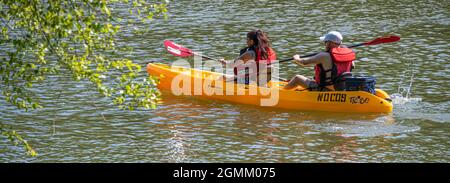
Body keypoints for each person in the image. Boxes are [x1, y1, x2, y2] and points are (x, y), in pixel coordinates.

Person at [283, 31, 355, 91]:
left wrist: (296, 58)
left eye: (325, 42)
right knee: (312, 78)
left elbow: (304, 63)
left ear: (329, 43)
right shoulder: (347, 54)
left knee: (297, 78)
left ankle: (282, 93)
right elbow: (352, 66)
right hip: (342, 87)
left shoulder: (324, 56)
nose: (325, 44)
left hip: (325, 88)